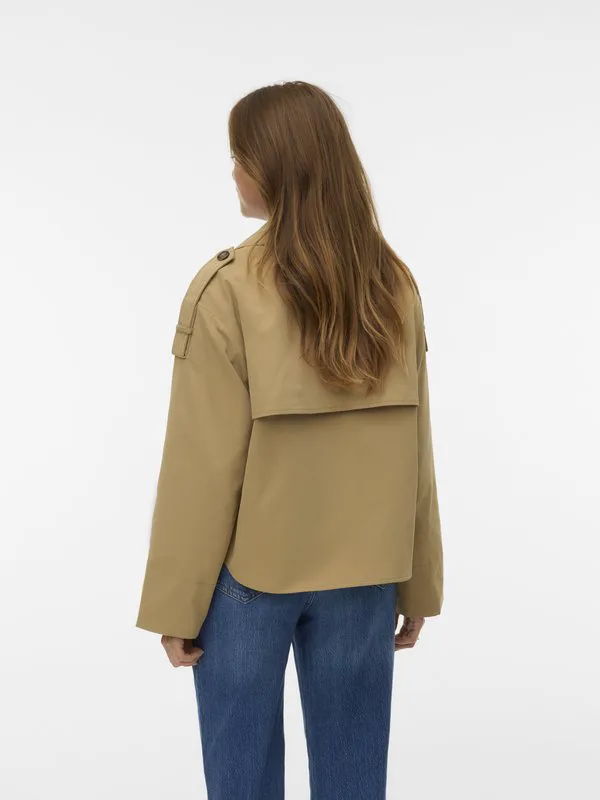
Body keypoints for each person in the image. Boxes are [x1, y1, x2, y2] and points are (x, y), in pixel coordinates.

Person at [135, 80, 443, 800]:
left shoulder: (226, 290)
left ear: (272, 168)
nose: (233, 174)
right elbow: (417, 452)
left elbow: (201, 467)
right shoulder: (393, 285)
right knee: (354, 784)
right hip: (367, 575)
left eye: (238, 158)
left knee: (242, 785)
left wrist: (177, 604)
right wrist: (419, 580)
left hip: (251, 580)